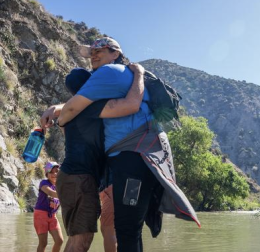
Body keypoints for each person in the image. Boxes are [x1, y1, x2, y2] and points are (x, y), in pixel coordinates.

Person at [57, 37, 200, 252]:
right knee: (130, 229)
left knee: (126, 230)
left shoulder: (108, 73)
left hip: (132, 156)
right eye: (91, 52)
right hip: (148, 155)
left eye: (101, 50)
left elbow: (73, 109)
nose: (94, 55)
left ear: (115, 54)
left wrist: (60, 120)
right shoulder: (129, 76)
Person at [40, 63, 145, 252]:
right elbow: (132, 105)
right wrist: (139, 73)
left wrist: (54, 107)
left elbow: (70, 106)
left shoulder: (68, 113)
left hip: (71, 177)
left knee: (77, 238)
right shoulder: (93, 108)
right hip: (80, 179)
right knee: (81, 240)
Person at [34, 161, 64, 252]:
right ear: (47, 174)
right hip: (40, 215)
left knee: (59, 241)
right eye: (51, 172)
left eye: (56, 172)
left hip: (52, 216)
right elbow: (51, 193)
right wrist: (66, 194)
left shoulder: (60, 186)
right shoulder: (44, 183)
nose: (54, 174)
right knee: (43, 243)